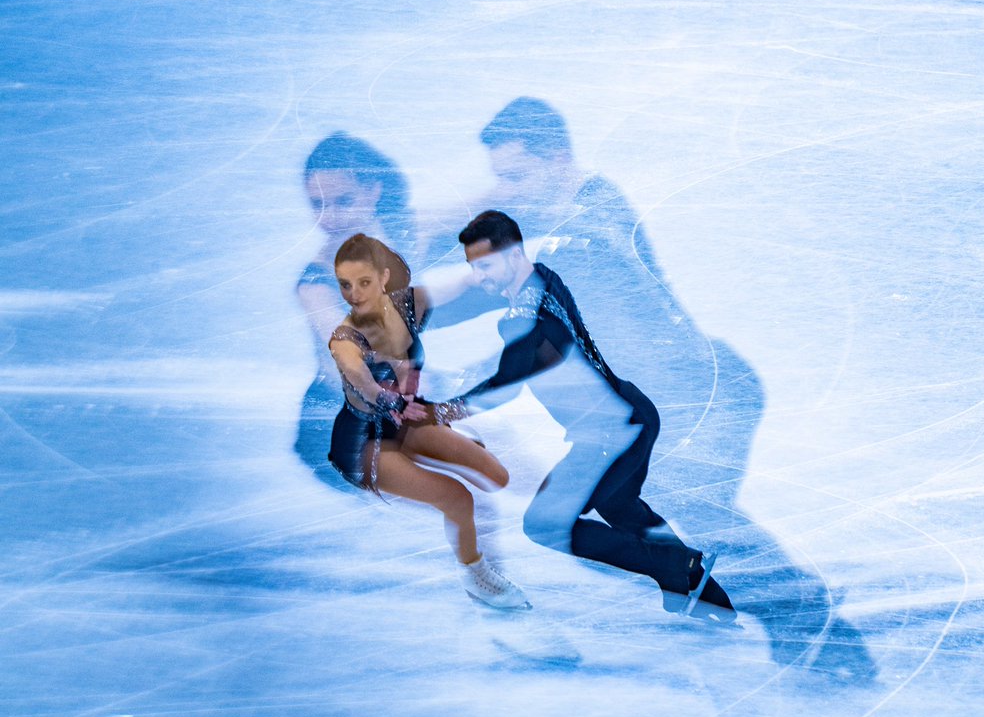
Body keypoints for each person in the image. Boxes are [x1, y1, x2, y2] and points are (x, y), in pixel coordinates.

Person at [473, 99, 874, 676]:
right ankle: (768, 610)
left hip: (702, 398)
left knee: (688, 509)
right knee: (624, 511)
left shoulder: (584, 237)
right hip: (684, 394)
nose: (507, 192)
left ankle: (810, 627)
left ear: (557, 156)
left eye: (516, 176)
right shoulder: (586, 203)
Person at [431, 211, 735, 621]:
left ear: (514, 253)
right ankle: (700, 590)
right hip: (630, 417)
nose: (479, 276)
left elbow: (508, 381)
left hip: (610, 434)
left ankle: (676, 567)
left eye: (484, 265)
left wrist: (444, 411)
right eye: (473, 266)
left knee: (545, 523)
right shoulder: (545, 278)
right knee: (622, 508)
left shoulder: (524, 318)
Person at [326, 232, 527, 609]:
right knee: (457, 497)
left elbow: (463, 284)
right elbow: (360, 378)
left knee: (497, 476)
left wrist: (509, 271)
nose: (353, 294)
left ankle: (440, 440)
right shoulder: (345, 339)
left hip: (408, 420)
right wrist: (389, 400)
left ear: (384, 278)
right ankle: (475, 577)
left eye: (363, 282)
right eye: (345, 285)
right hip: (365, 443)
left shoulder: (408, 304)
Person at [294, 133, 417, 484]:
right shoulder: (316, 282)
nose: (329, 217)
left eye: (342, 200)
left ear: (373, 192)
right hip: (338, 426)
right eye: (318, 205)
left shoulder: (400, 235)